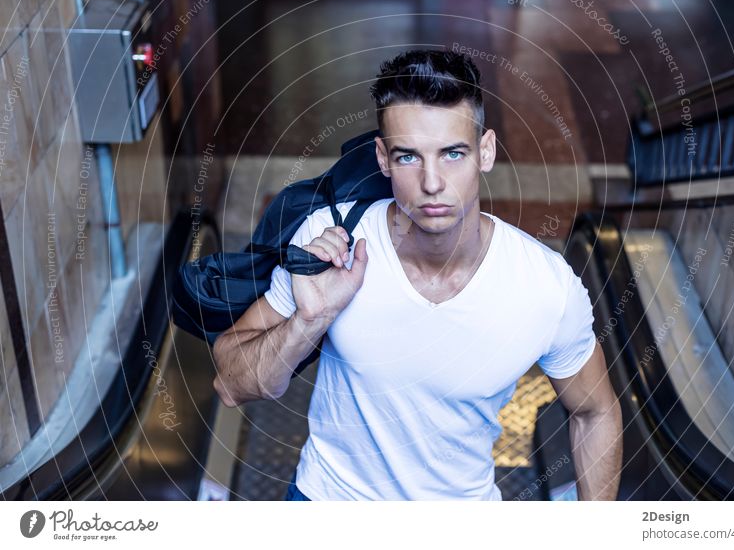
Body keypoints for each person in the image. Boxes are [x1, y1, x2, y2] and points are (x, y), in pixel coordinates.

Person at [212, 49, 622, 501]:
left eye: (452, 153)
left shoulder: (545, 287)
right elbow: (231, 385)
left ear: (485, 152)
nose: (432, 182)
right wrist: (308, 321)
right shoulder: (332, 243)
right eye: (409, 157)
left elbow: (595, 412)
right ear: (383, 158)